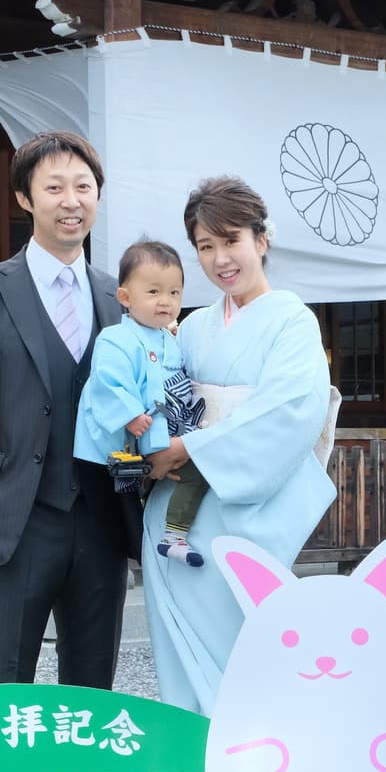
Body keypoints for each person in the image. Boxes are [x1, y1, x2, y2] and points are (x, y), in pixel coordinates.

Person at [0, 130, 136, 690]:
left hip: (100, 521)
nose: (71, 201)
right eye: (55, 187)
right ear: (25, 198)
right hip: (15, 522)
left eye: (84, 186)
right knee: (3, 680)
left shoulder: (119, 297)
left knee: (93, 682)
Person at [141, 176, 336, 715]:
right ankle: (191, 768)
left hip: (243, 517)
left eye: (231, 241)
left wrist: (190, 448)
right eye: (206, 247)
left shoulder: (293, 322)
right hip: (174, 514)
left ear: (261, 240)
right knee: (181, 661)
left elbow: (288, 414)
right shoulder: (193, 327)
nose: (221, 259)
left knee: (246, 658)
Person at [73, 239, 209, 567]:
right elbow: (108, 381)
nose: (165, 301)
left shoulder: (170, 339)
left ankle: (168, 537)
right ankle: (145, 544)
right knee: (110, 509)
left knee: (184, 478)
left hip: (156, 435)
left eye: (174, 293)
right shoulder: (115, 339)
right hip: (118, 438)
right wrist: (129, 413)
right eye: (153, 292)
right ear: (125, 297)